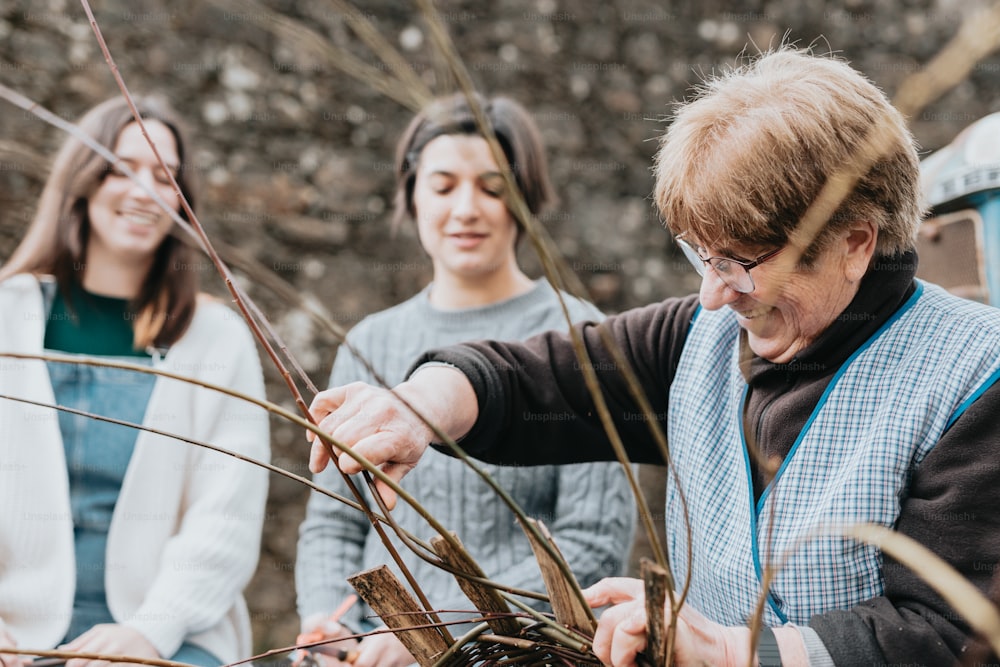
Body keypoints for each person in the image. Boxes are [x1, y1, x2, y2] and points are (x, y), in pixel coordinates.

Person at [305, 49, 1000, 667]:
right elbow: (529, 380)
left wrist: (729, 649)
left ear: (855, 242)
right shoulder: (698, 338)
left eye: (741, 261)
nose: (711, 291)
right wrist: (417, 405)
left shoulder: (974, 373)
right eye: (701, 255)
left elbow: (947, 633)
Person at [295, 93, 636, 667]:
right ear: (411, 194)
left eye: (492, 187)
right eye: (444, 185)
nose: (467, 209)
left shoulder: (580, 336)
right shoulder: (371, 342)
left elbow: (591, 543)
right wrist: (331, 632)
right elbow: (334, 519)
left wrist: (440, 633)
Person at [0, 96, 270, 667]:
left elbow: (226, 515)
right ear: (84, 181)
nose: (146, 191)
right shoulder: (7, 314)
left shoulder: (217, 339)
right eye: (123, 169)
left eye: (166, 176)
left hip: (170, 640)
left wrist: (151, 632)